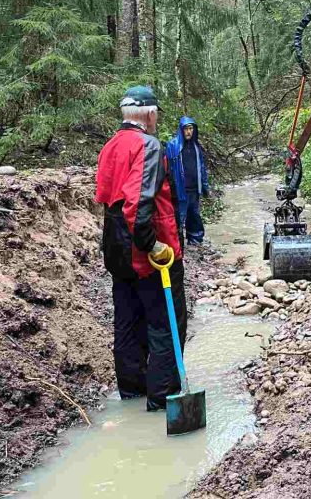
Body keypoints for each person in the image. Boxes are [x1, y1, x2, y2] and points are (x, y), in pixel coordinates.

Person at [95, 86, 187, 412]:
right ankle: (163, 403)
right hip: (147, 253)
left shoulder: (109, 146)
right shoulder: (148, 145)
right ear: (149, 114)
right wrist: (151, 244)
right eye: (156, 114)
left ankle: (132, 399)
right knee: (165, 326)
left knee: (128, 323)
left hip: (116, 250)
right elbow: (137, 203)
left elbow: (107, 197)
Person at [166, 116, 210, 246]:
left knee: (194, 215)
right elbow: (168, 167)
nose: (189, 132)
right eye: (186, 129)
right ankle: (177, 242)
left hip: (194, 188)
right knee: (179, 216)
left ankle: (195, 239)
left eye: (191, 128)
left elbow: (201, 167)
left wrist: (205, 186)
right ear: (181, 130)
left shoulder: (196, 146)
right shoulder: (173, 146)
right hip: (180, 189)